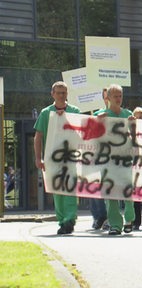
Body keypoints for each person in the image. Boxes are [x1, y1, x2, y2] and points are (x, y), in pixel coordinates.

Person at [34, 81, 81, 235]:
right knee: (57, 191)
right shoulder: (46, 112)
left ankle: (69, 220)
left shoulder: (75, 111)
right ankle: (62, 221)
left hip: (71, 158)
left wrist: (66, 118)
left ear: (67, 94)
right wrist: (38, 158)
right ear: (52, 94)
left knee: (70, 190)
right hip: (52, 159)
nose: (61, 95)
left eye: (64, 92)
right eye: (59, 92)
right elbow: (38, 137)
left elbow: (82, 133)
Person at [93, 84, 135, 235]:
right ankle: (116, 224)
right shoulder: (100, 114)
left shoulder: (128, 114)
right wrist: (97, 123)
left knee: (127, 191)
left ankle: (129, 219)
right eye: (115, 96)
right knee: (110, 193)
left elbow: (135, 138)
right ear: (108, 98)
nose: (118, 99)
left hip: (124, 159)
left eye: (120, 96)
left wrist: (133, 126)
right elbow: (91, 137)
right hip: (107, 160)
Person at [90, 87, 109, 230]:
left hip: (115, 158)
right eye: (106, 96)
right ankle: (99, 216)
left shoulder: (123, 114)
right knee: (96, 188)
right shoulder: (96, 115)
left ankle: (109, 217)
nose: (108, 99)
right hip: (98, 157)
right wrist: (96, 121)